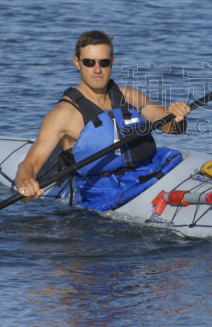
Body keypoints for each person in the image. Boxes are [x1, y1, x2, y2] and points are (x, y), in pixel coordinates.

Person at [14, 30, 190, 211]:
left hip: (150, 172)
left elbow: (174, 128)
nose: (97, 69)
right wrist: (26, 183)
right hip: (104, 192)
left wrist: (179, 116)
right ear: (77, 63)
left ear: (112, 62)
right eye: (89, 62)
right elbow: (29, 164)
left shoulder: (131, 96)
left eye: (103, 62)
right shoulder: (62, 115)